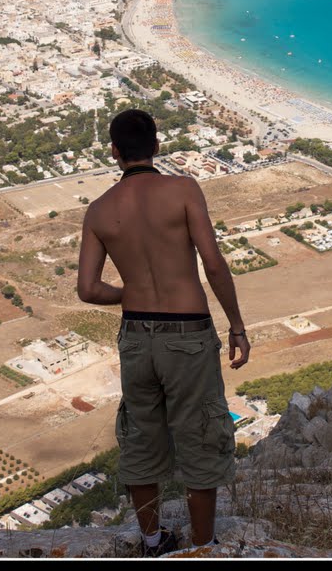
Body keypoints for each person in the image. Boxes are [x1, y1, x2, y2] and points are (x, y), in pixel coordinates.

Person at [77, 108, 250, 557]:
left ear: (114, 152)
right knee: (200, 434)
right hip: (187, 333)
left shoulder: (98, 211)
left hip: (136, 334)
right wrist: (236, 325)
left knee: (141, 436)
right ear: (157, 146)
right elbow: (213, 263)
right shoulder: (183, 189)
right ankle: (203, 543)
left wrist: (130, 291)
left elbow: (88, 289)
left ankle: (153, 541)